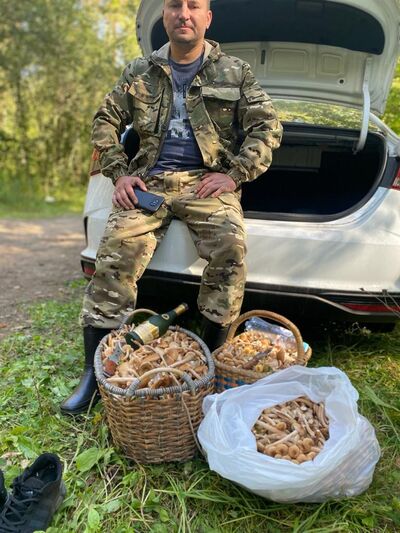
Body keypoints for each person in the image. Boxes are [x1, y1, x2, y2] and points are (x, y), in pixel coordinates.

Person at [60, 0, 283, 415]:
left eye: (194, 6)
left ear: (207, 18)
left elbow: (267, 127)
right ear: (164, 15)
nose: (184, 13)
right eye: (175, 5)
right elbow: (105, 120)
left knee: (230, 250)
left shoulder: (235, 72)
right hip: (150, 182)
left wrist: (235, 175)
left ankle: (211, 365)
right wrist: (120, 173)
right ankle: (95, 374)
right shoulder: (139, 70)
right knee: (115, 251)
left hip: (207, 183)